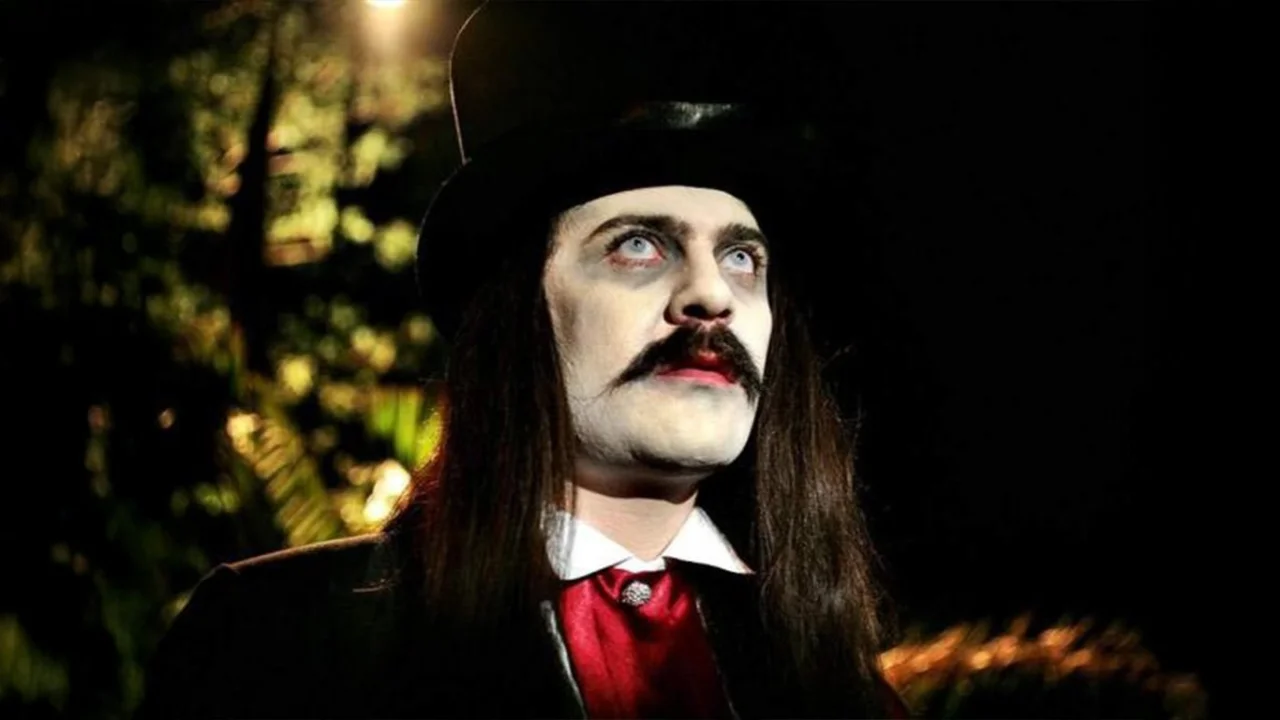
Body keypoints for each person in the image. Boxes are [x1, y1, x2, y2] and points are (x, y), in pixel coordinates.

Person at [138, 3, 907, 718]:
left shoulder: (842, 689)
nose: (711, 295)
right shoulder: (278, 640)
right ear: (519, 315)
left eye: (742, 258)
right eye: (639, 245)